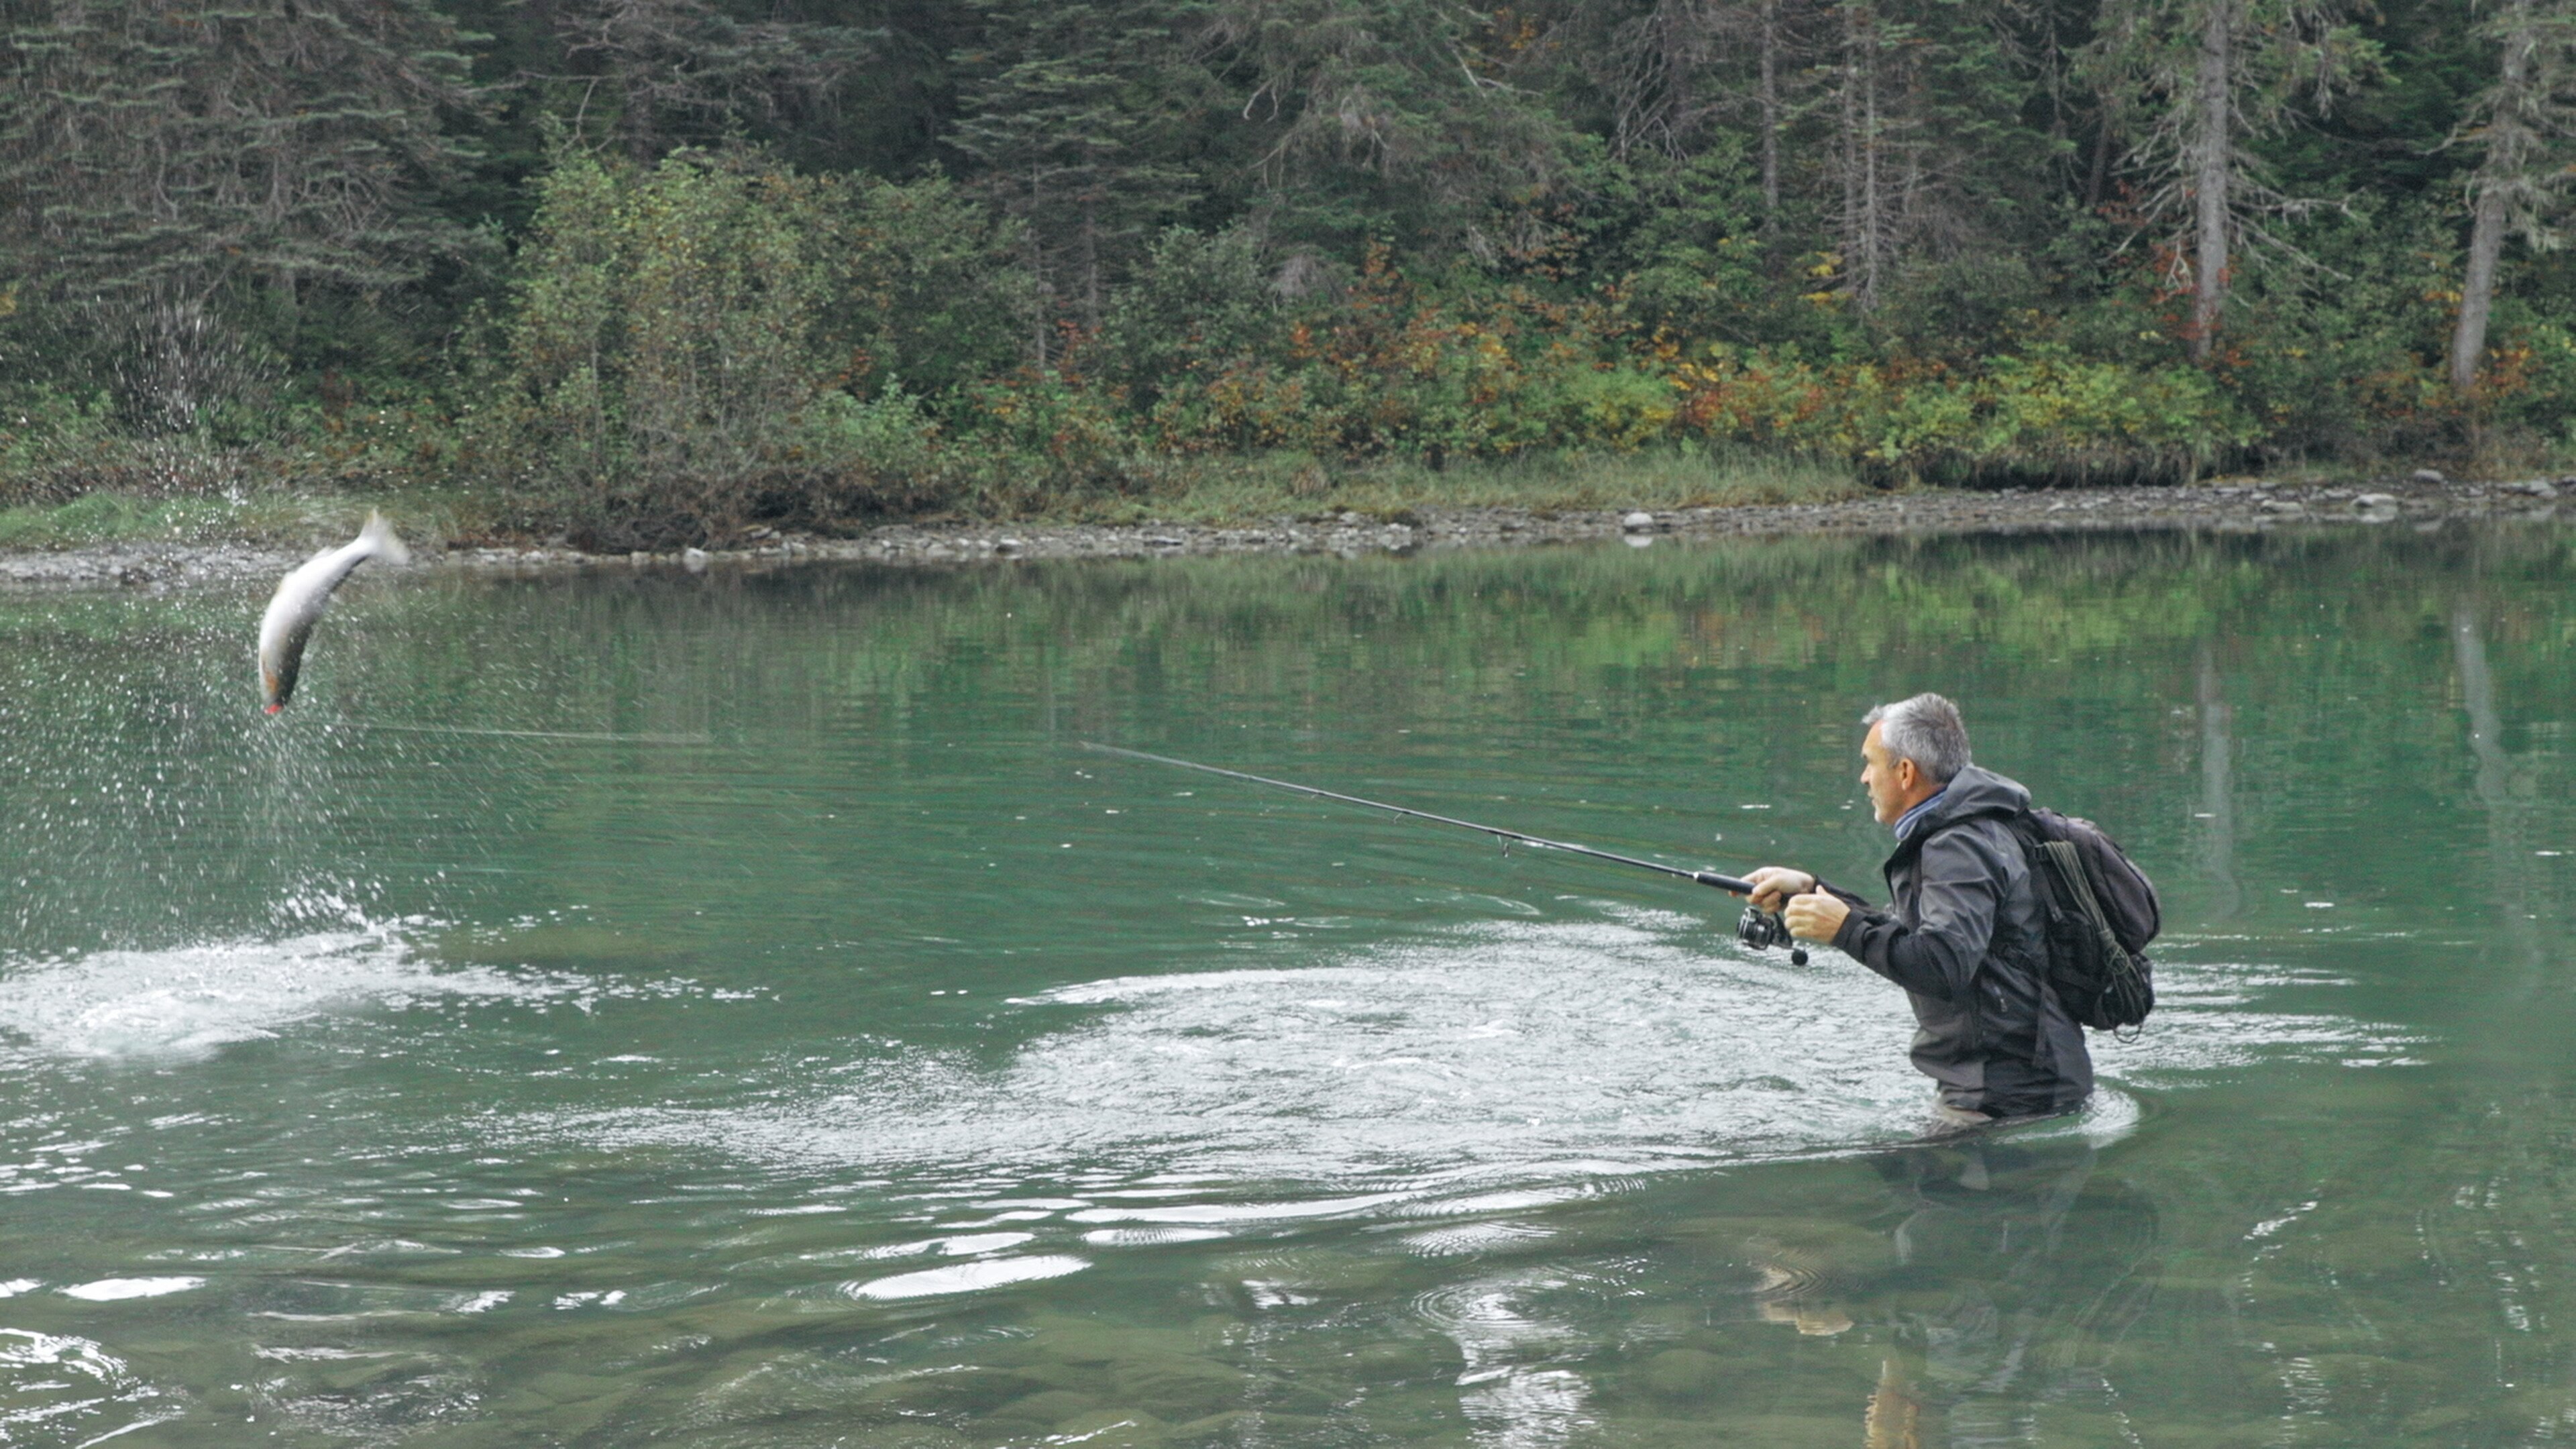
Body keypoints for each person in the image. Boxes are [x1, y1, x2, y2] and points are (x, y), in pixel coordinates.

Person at [1746, 694, 2092, 1127]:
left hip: (2009, 1099)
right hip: (2021, 1087)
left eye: (1871, 763)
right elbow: (1918, 937)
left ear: (1905, 772)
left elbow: (1942, 964)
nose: (1863, 778)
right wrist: (1814, 891)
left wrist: (1846, 929)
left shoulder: (1958, 846)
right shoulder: (1969, 829)